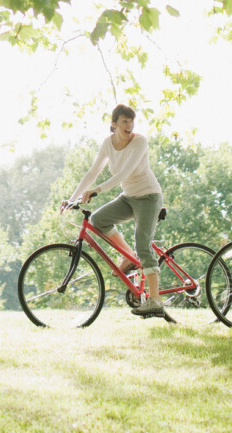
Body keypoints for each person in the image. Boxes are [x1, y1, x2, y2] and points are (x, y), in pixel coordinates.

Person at [66, 103, 166, 316]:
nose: (129, 126)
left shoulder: (139, 142)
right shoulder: (108, 144)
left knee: (143, 243)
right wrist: (71, 199)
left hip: (149, 197)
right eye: (124, 122)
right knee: (98, 220)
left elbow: (124, 173)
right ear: (114, 124)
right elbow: (92, 173)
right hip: (129, 198)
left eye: (132, 121)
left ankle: (155, 300)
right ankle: (130, 256)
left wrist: (97, 190)